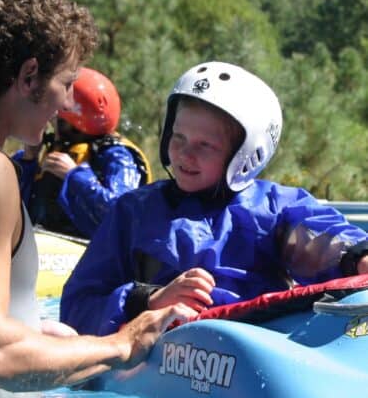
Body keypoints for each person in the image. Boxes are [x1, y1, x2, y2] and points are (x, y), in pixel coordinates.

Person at [0, 0, 195, 398]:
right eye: (65, 82)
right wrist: (120, 345)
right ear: (29, 76)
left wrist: (33, 332)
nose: (67, 102)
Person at [60, 60, 368, 337]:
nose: (184, 154)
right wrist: (149, 299)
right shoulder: (133, 211)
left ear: (247, 155)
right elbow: (77, 307)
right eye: (178, 137)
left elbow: (324, 237)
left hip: (259, 346)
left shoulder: (275, 207)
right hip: (165, 355)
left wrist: (357, 258)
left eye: (205, 145)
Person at [13, 67, 152, 238]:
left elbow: (120, 210)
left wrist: (74, 175)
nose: (51, 118)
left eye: (58, 117)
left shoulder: (118, 156)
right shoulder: (55, 147)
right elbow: (14, 207)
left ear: (72, 123)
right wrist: (28, 160)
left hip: (89, 253)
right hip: (45, 243)